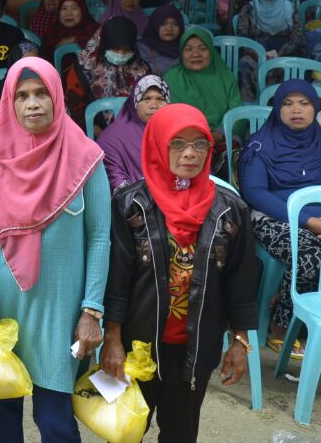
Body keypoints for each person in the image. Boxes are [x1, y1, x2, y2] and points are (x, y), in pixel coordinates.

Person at [0, 59, 110, 443]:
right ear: (10, 103)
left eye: (42, 93)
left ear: (57, 96)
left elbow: (99, 237)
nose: (33, 104)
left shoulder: (87, 157)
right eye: (23, 95)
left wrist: (91, 310)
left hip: (61, 310)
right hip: (3, 306)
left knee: (55, 420)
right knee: (1, 414)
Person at [103, 103, 258, 440]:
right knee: (126, 431)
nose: (190, 153)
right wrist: (112, 339)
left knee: (181, 431)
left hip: (196, 346)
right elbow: (116, 278)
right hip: (138, 344)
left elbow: (241, 281)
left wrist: (239, 344)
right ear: (158, 143)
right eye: (178, 142)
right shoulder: (130, 205)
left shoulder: (230, 209)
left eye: (199, 143)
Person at [239, 80, 321, 349]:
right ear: (277, 109)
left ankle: (319, 327)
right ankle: (281, 327)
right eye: (288, 103)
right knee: (310, 256)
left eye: (305, 103)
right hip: (273, 218)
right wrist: (307, 221)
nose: (296, 110)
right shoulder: (259, 146)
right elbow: (255, 193)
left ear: (316, 109)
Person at [163, 27, 241, 143]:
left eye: (203, 49)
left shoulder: (225, 77)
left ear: (211, 51)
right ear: (181, 53)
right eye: (188, 49)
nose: (195, 54)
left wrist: (219, 134)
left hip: (222, 138)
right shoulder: (171, 78)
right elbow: (166, 116)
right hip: (182, 139)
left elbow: (237, 111)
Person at [96, 75, 169, 191]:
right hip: (136, 203)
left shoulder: (175, 131)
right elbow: (118, 185)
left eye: (160, 99)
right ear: (134, 103)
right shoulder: (112, 139)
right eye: (146, 99)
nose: (154, 105)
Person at [139, 4, 185, 75]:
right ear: (155, 24)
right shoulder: (142, 49)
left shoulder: (187, 47)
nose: (169, 28)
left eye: (175, 24)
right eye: (163, 23)